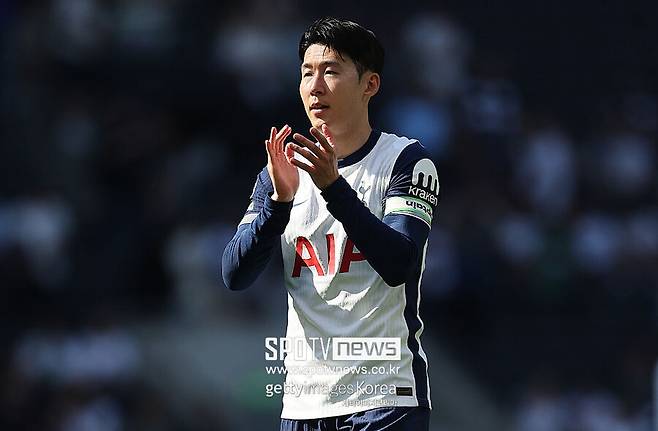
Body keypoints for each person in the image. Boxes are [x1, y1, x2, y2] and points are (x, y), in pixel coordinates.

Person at [222, 17, 439, 431]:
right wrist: (277, 205)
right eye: (307, 73)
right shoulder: (280, 173)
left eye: (331, 71)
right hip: (304, 404)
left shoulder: (405, 161)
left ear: (369, 84)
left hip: (385, 399)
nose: (315, 86)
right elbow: (234, 274)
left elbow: (399, 264)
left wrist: (334, 189)